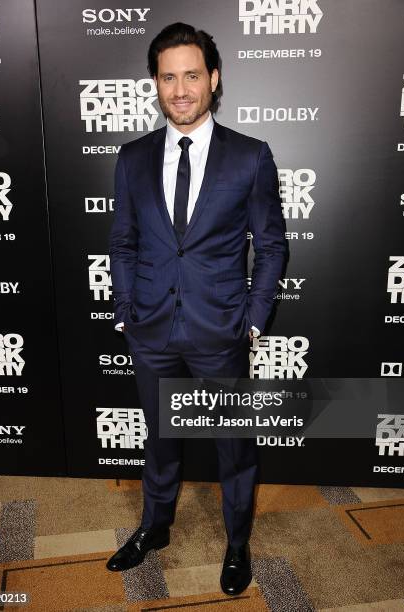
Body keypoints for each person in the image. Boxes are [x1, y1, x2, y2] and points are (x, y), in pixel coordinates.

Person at [107, 22, 287, 596]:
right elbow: (124, 241)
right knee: (160, 440)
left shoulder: (250, 157)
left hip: (221, 332)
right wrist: (128, 306)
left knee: (234, 447)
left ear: (213, 79)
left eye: (191, 75)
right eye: (167, 77)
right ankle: (154, 529)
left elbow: (273, 244)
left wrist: (254, 318)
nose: (180, 89)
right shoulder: (132, 158)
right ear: (154, 84)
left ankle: (237, 544)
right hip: (153, 331)